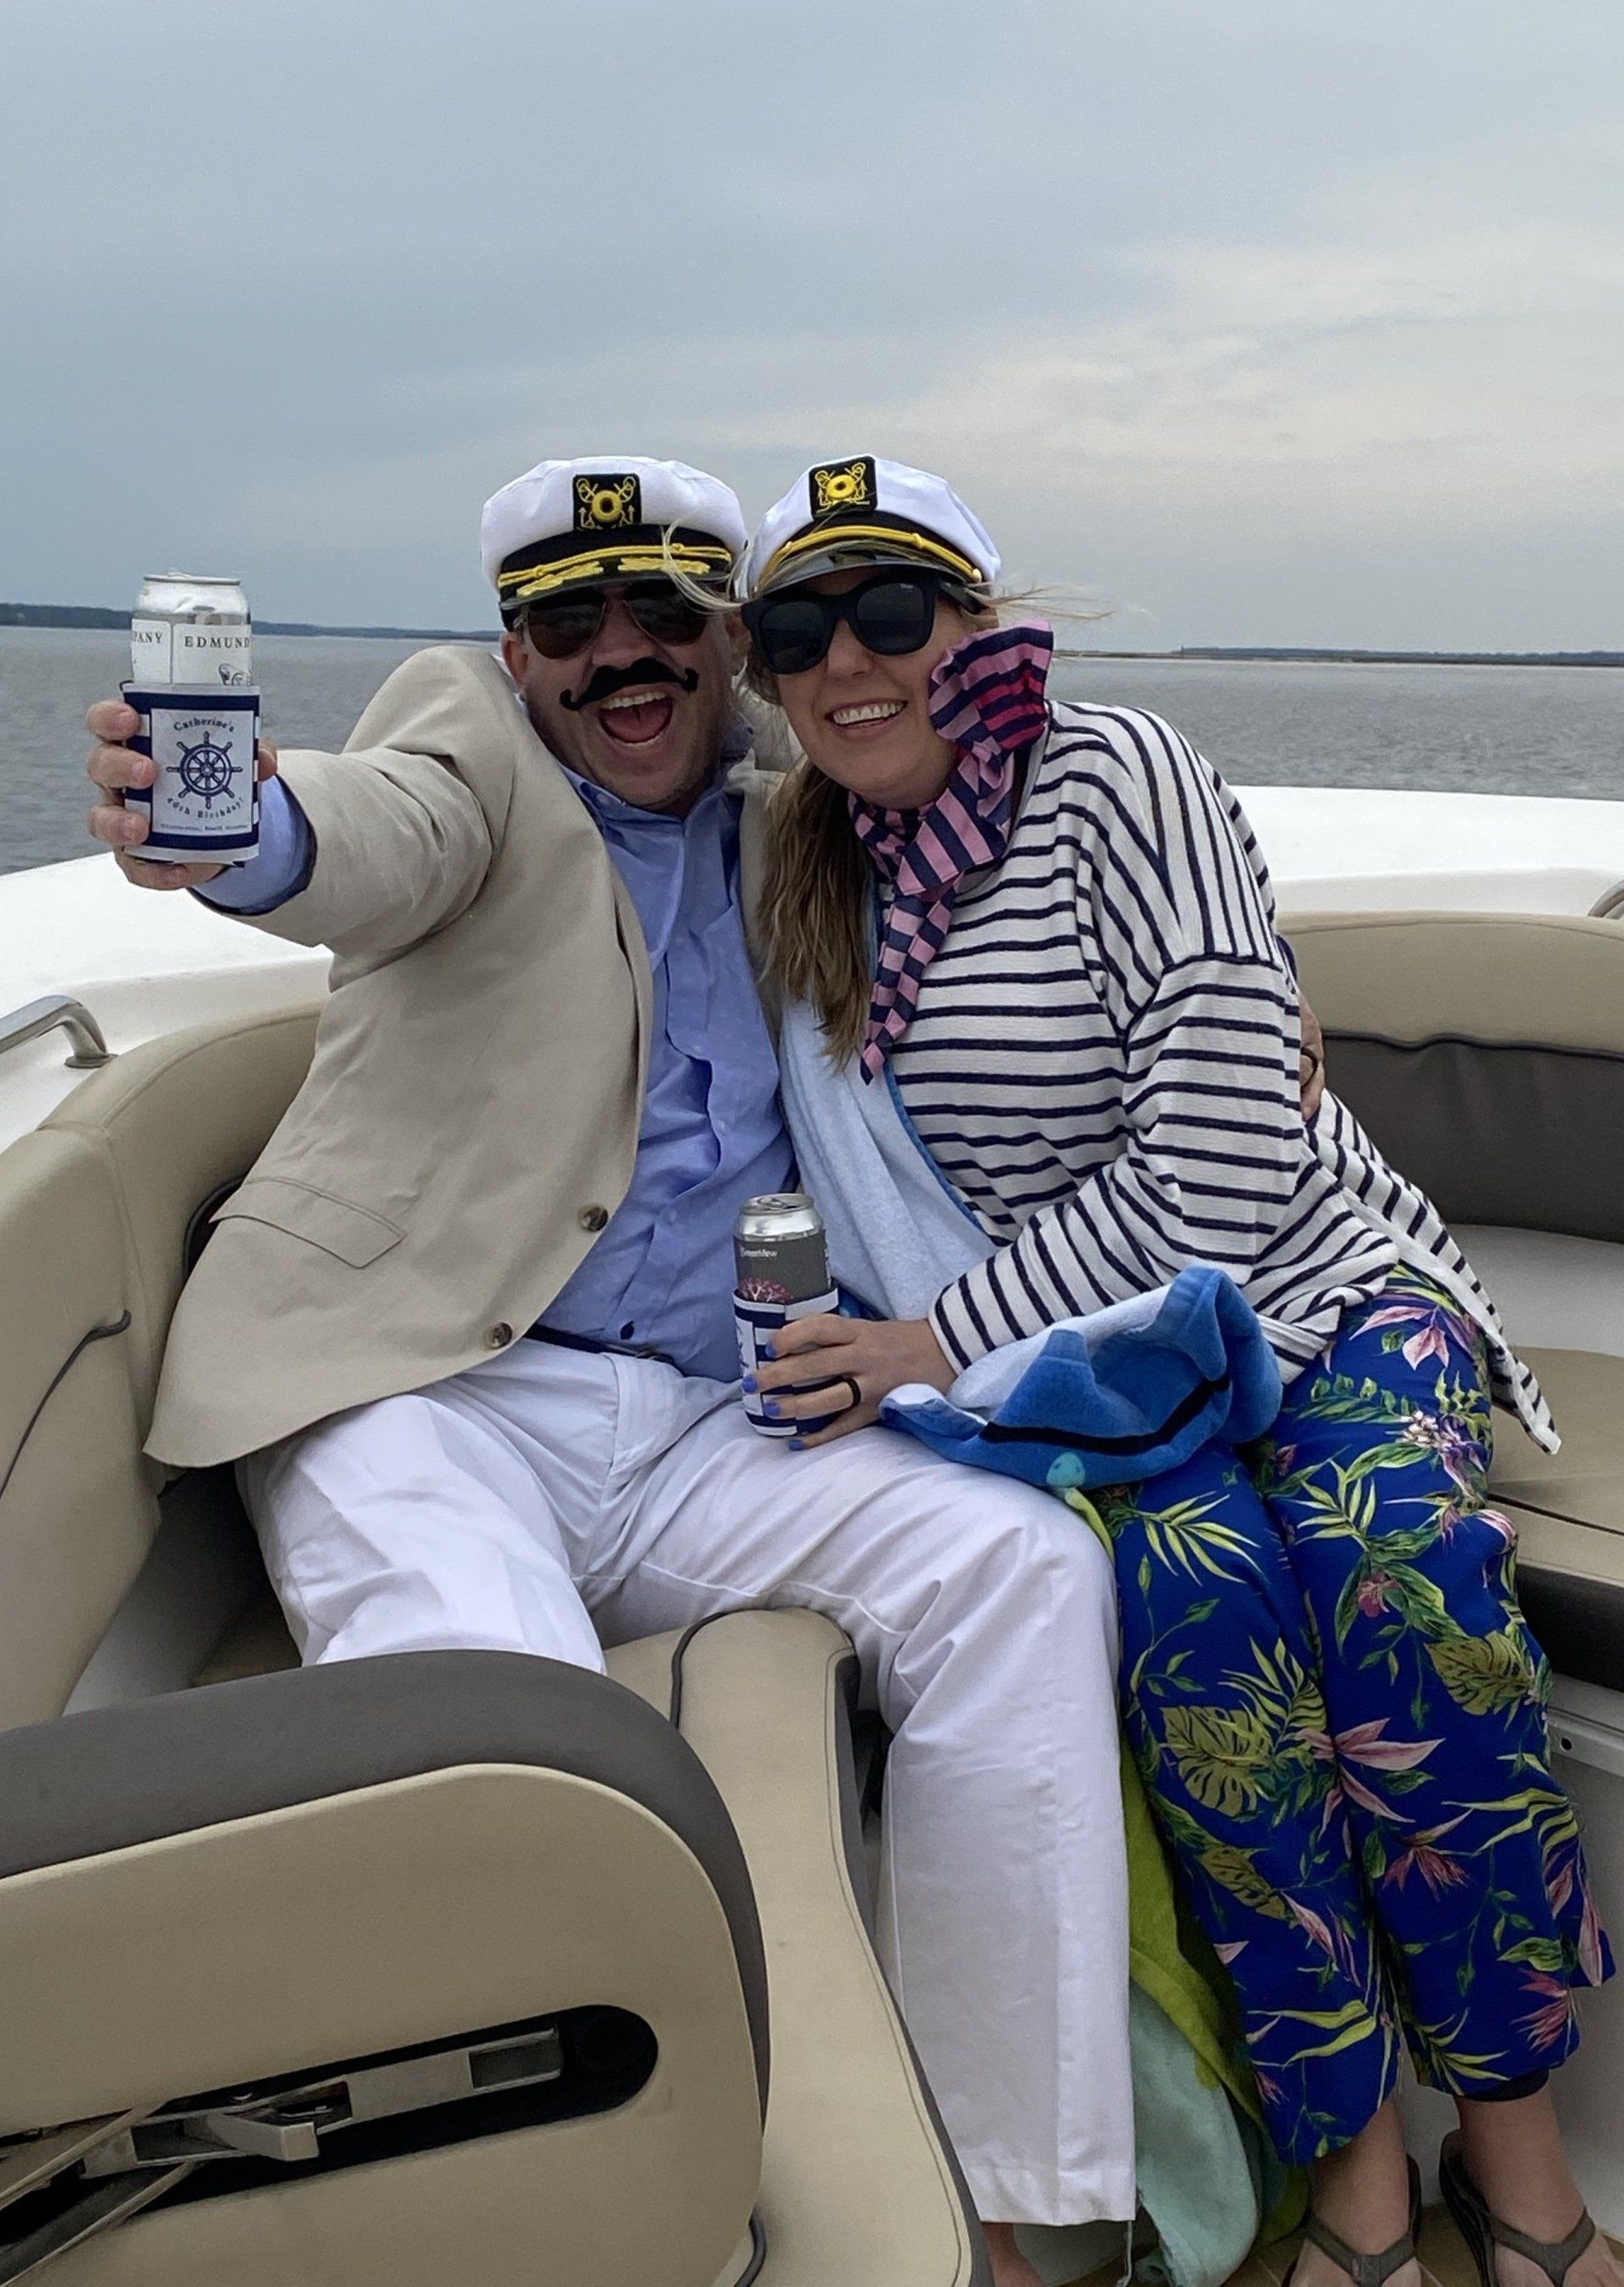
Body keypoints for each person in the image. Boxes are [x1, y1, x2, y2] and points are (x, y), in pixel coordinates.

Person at [84, 457, 1134, 2286]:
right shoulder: (473, 748)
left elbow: (1008, 881)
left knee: (1025, 1570)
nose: (621, 658)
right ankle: (606, 2227)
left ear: (736, 637)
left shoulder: (791, 816)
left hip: (720, 1416)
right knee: (504, 1703)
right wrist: (237, 831)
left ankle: (1011, 2205)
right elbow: (366, 832)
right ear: (515, 651)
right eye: (571, 624)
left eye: (666, 615)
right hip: (431, 1386)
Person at [739, 455, 1620, 2287]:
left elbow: (1225, 1158)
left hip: (1322, 1288)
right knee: (1196, 1624)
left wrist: (929, 1342)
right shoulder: (820, 862)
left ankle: (1522, 2166)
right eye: (797, 627)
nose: (849, 658)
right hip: (1111, 1374)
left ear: (979, 625)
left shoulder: (1114, 776)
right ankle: (1359, 2175)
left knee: (1394, 1573)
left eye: (894, 609)